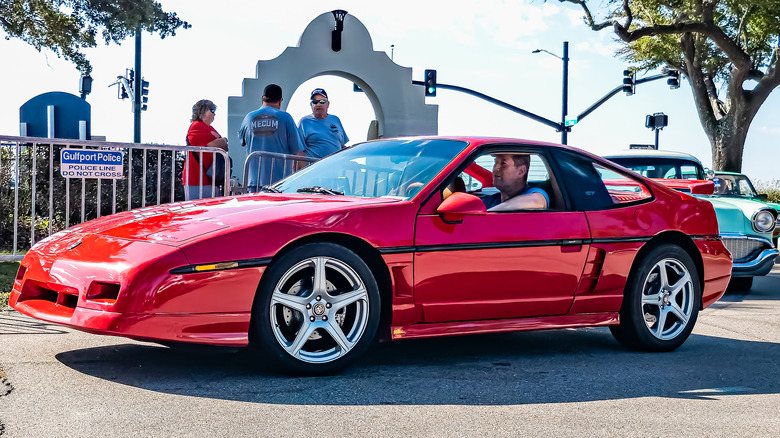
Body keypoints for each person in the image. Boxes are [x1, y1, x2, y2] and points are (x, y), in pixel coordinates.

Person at [238, 84, 305, 192]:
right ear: (280, 101)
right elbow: (298, 153)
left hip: (253, 182)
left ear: (262, 99)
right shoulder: (285, 118)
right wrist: (302, 180)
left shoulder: (248, 117)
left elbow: (242, 141)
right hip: (280, 183)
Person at [184, 99, 229, 200]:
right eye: (212, 111)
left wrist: (222, 142)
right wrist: (224, 140)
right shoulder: (196, 126)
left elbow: (223, 146)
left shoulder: (209, 128)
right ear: (203, 111)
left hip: (210, 179)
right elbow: (213, 145)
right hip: (197, 179)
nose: (214, 114)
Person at [481, 154, 549, 211]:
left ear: (521, 171)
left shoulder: (534, 193)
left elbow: (536, 202)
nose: (495, 168)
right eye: (495, 163)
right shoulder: (491, 200)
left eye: (503, 164)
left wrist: (487, 214)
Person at [297, 88, 349, 159]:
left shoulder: (336, 119)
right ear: (311, 105)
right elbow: (299, 151)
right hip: (315, 167)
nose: (318, 104)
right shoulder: (304, 122)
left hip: (335, 166)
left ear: (328, 104)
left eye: (322, 101)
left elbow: (342, 145)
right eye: (315, 102)